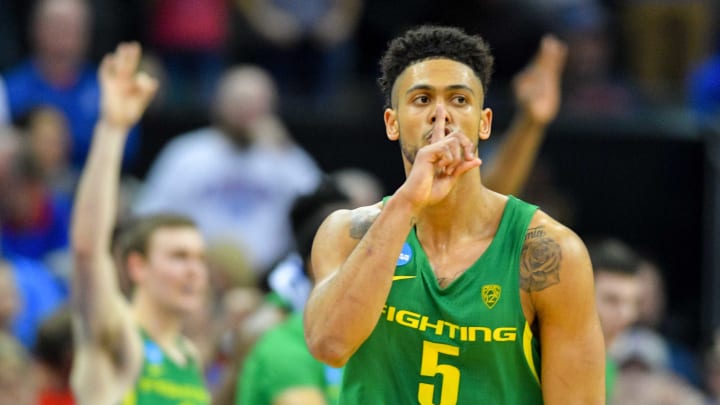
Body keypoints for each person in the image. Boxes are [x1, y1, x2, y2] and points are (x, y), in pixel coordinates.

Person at [303, 25, 605, 404]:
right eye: (422, 99)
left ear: (485, 122)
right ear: (392, 123)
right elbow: (329, 344)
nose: (441, 115)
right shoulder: (345, 231)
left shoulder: (551, 252)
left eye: (460, 100)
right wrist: (407, 203)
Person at [70, 42, 210, 404]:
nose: (194, 270)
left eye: (198, 258)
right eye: (179, 256)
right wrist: (112, 129)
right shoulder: (119, 338)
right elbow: (87, 251)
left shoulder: (189, 356)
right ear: (137, 266)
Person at [134, 65, 322, 276]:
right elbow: (149, 216)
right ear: (218, 103)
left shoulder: (287, 158)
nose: (246, 110)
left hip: (270, 279)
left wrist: (284, 153)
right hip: (196, 274)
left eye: (255, 102)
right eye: (239, 101)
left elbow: (321, 219)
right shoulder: (186, 154)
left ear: (271, 106)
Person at [586, 238, 642, 401]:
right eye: (612, 300)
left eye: (634, 302)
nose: (627, 315)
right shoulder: (549, 360)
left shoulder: (608, 366)